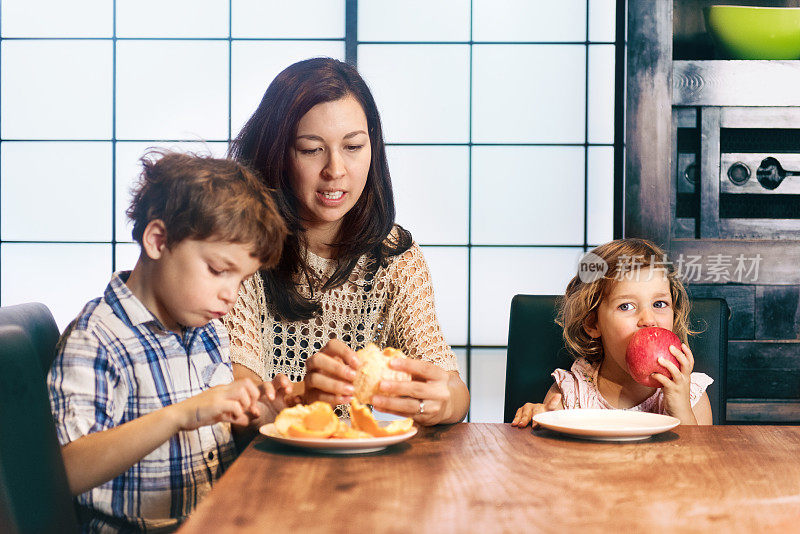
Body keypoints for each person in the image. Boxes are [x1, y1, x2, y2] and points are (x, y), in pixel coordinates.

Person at [47, 151, 291, 532]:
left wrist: (257, 415)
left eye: (240, 280)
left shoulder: (205, 328)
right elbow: (66, 471)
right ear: (158, 241)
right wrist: (180, 415)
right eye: (217, 270)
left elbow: (216, 436)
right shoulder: (98, 338)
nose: (231, 295)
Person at [225, 57, 470, 426]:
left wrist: (440, 402)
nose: (335, 170)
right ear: (276, 154)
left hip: (359, 472)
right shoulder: (239, 252)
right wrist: (303, 397)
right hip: (262, 470)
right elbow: (238, 405)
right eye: (311, 149)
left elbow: (453, 391)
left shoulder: (394, 257)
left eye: (353, 147)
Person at [511, 238, 713, 427]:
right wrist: (542, 421)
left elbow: (699, 463)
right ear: (593, 324)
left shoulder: (691, 394)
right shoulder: (571, 394)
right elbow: (556, 459)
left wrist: (681, 410)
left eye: (659, 304)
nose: (649, 319)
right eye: (626, 306)